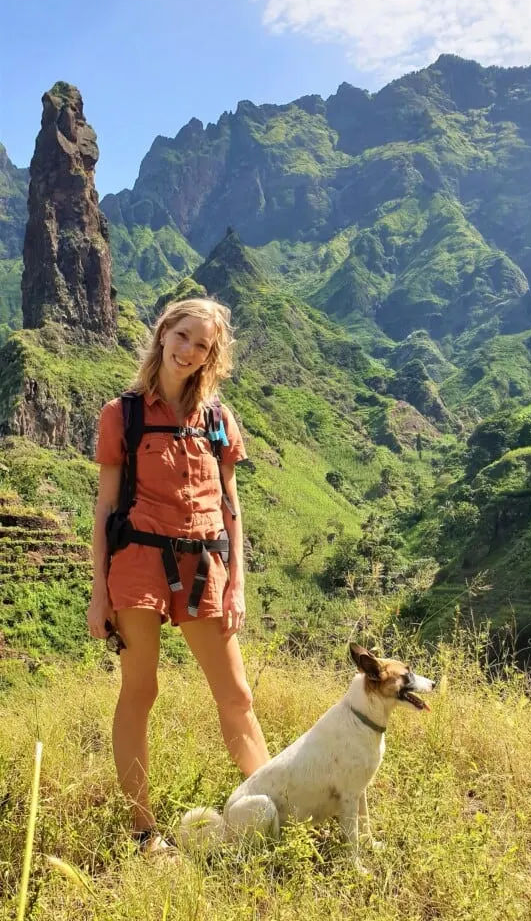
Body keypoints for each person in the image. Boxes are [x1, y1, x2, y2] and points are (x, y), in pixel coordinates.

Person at [87, 297, 270, 852]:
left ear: (213, 355)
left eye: (202, 345)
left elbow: (232, 506)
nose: (188, 351)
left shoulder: (217, 419)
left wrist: (237, 581)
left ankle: (270, 810)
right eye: (182, 336)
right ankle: (144, 833)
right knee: (140, 690)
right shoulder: (123, 414)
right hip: (138, 562)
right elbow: (104, 508)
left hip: (205, 565)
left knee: (236, 695)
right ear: (163, 332)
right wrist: (99, 594)